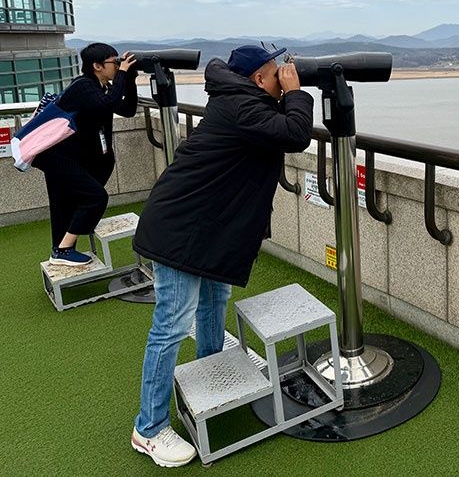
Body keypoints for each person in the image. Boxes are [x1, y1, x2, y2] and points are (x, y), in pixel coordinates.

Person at [130, 45, 314, 468]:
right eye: (275, 75)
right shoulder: (241, 106)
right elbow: (294, 134)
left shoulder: (240, 101)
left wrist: (285, 94)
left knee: (214, 302)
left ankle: (210, 381)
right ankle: (149, 428)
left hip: (208, 230)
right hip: (181, 231)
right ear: (257, 80)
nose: (280, 79)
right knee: (171, 325)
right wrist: (297, 92)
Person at [32, 43, 138, 265]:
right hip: (55, 156)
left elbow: (127, 110)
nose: (117, 66)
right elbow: (107, 104)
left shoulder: (100, 88)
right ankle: (63, 249)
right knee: (96, 197)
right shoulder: (83, 87)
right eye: (114, 62)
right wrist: (123, 75)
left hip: (69, 156)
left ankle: (58, 249)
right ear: (97, 66)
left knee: (64, 203)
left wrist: (129, 80)